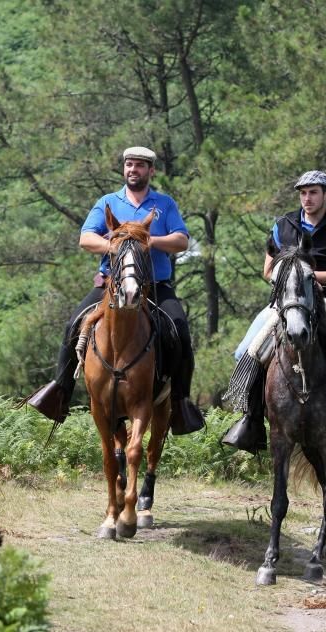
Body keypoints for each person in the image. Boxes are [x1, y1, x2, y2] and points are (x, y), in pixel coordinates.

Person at [26, 146, 205, 435]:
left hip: (155, 287)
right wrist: (118, 245)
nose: (133, 170)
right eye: (129, 165)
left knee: (181, 330)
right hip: (112, 284)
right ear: (124, 169)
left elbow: (182, 241)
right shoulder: (109, 201)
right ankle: (60, 392)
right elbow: (86, 238)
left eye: (140, 166)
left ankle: (180, 403)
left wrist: (147, 241)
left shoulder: (164, 203)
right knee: (74, 323)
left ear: (151, 171)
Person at [222, 170, 326, 453]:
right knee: (245, 352)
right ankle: (250, 420)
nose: (307, 198)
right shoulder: (282, 225)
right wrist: (294, 279)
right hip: (285, 304)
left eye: (313, 192)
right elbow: (267, 270)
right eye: (303, 193)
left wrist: (312, 277)